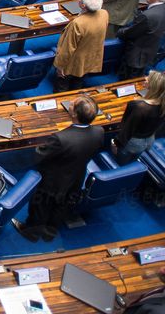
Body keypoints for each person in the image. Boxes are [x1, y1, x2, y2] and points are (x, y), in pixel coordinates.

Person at [12, 95, 104, 242]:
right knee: (62, 207)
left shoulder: (61, 138)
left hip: (51, 181)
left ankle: (32, 233)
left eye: (72, 104)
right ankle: (49, 233)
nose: (70, 103)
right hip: (76, 178)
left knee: (40, 207)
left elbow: (39, 155)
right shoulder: (99, 131)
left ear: (74, 114)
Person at [52, 0, 109, 92]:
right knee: (77, 85)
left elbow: (67, 49)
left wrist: (60, 67)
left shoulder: (78, 23)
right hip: (88, 60)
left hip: (72, 64)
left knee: (61, 89)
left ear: (82, 5)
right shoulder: (104, 14)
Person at [117, 0, 165, 81]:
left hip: (136, 56)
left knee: (127, 81)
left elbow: (130, 33)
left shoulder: (148, 16)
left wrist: (120, 31)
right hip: (149, 51)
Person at [112, 70, 165, 164]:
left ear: (153, 86)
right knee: (134, 161)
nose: (145, 78)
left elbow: (126, 130)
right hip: (149, 139)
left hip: (133, 143)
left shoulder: (139, 107)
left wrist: (115, 144)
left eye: (149, 78)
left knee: (122, 164)